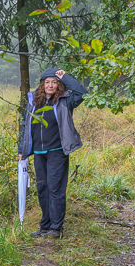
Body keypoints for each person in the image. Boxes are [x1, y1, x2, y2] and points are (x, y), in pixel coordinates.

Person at [18, 67, 87, 238]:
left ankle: (56, 229)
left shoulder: (65, 100)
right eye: (47, 82)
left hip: (57, 151)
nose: (50, 85)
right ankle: (45, 226)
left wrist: (65, 76)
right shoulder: (34, 102)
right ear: (42, 85)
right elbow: (26, 127)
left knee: (55, 188)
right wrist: (23, 151)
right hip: (39, 153)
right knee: (42, 187)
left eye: (54, 82)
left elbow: (82, 93)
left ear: (59, 85)